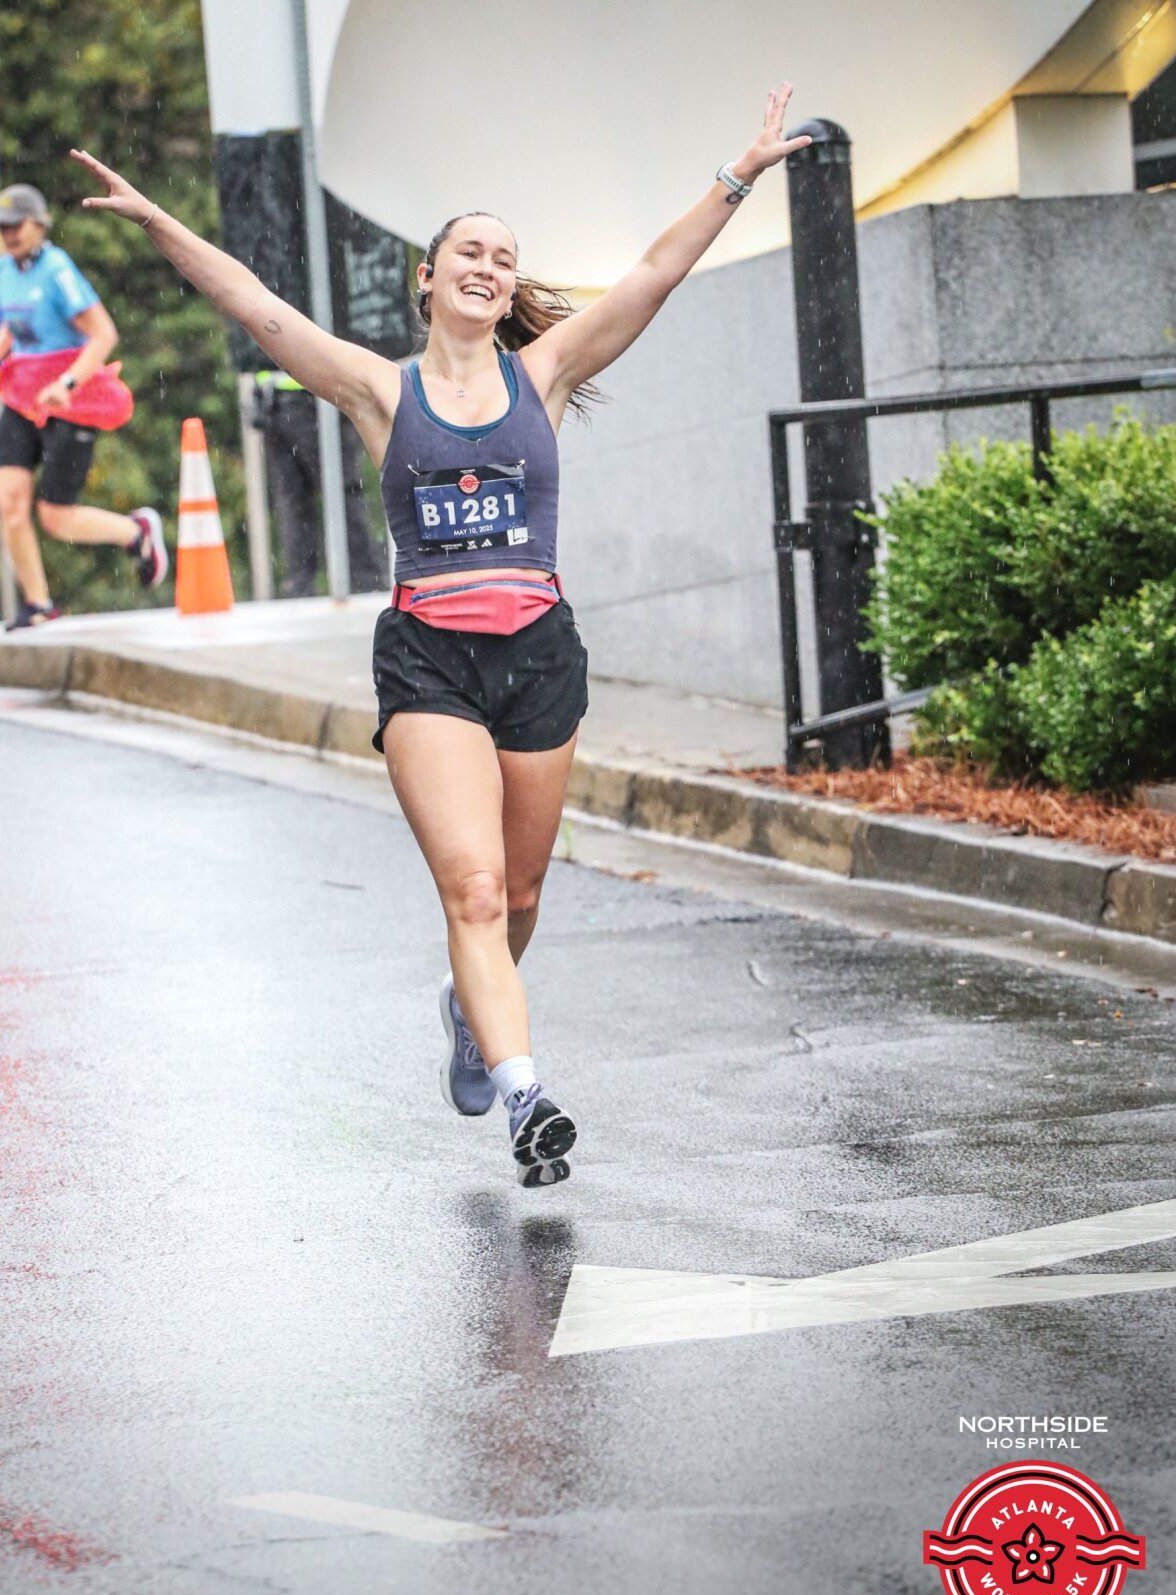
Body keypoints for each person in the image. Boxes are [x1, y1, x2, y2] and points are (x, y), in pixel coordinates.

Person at [72, 85, 810, 1188]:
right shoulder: (379, 390)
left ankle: (472, 1014)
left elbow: (654, 274)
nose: (489, 267)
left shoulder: (544, 373)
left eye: (505, 259)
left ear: (510, 290)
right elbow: (255, 304)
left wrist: (737, 176)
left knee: (521, 898)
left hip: (539, 654)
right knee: (472, 890)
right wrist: (155, 220)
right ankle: (526, 1099)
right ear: (427, 277)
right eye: (470, 250)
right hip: (430, 662)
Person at [0, 182, 166, 630]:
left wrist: (67, 383)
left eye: (16, 225)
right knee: (10, 505)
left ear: (39, 224)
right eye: (1, 228)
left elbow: (104, 334)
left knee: (55, 518)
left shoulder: (58, 271)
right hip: (22, 397)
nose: (8, 234)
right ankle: (39, 604)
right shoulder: (1, 272)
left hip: (70, 399)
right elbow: (12, 323)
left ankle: (135, 532)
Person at [250, 367, 388, 595]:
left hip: (273, 401)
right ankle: (366, 580)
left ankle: (300, 586)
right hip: (315, 399)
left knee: (293, 500)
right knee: (344, 492)